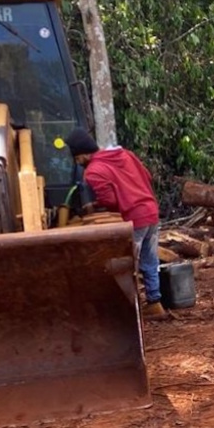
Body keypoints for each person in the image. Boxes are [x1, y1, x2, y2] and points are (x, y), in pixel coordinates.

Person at [66, 128, 167, 319]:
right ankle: (155, 303)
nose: (78, 163)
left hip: (135, 218)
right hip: (151, 211)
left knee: (126, 263)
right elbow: (147, 175)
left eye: (77, 159)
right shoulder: (124, 154)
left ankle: (128, 311)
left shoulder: (94, 171)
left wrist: (97, 205)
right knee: (149, 259)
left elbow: (110, 200)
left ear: (84, 154)